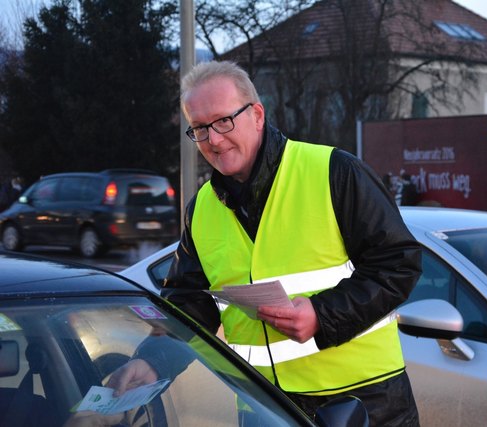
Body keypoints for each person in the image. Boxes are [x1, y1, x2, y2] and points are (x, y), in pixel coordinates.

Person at [109, 60, 422, 426]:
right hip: (264, 409)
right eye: (199, 128)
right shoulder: (203, 208)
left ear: (257, 114)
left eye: (224, 121)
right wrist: (152, 361)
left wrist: (322, 316)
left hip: (365, 405)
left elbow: (399, 263)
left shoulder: (335, 172)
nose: (213, 139)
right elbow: (188, 303)